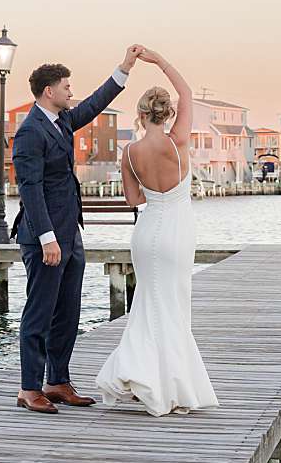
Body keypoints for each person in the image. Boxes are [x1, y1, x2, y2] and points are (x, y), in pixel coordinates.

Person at [10, 45, 143, 415]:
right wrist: (47, 238)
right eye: (66, 87)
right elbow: (30, 189)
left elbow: (96, 103)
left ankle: (57, 381)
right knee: (40, 312)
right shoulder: (29, 133)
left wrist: (125, 68)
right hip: (45, 238)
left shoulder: (63, 120)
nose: (72, 92)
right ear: (48, 91)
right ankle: (28, 388)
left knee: (68, 311)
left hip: (71, 233)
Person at [94, 48, 219, 416]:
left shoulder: (130, 151)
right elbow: (187, 92)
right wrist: (159, 60)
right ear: (168, 114)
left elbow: (133, 199)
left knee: (147, 306)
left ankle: (140, 375)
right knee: (175, 307)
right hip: (178, 230)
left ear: (141, 114)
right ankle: (173, 388)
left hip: (146, 233)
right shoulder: (178, 141)